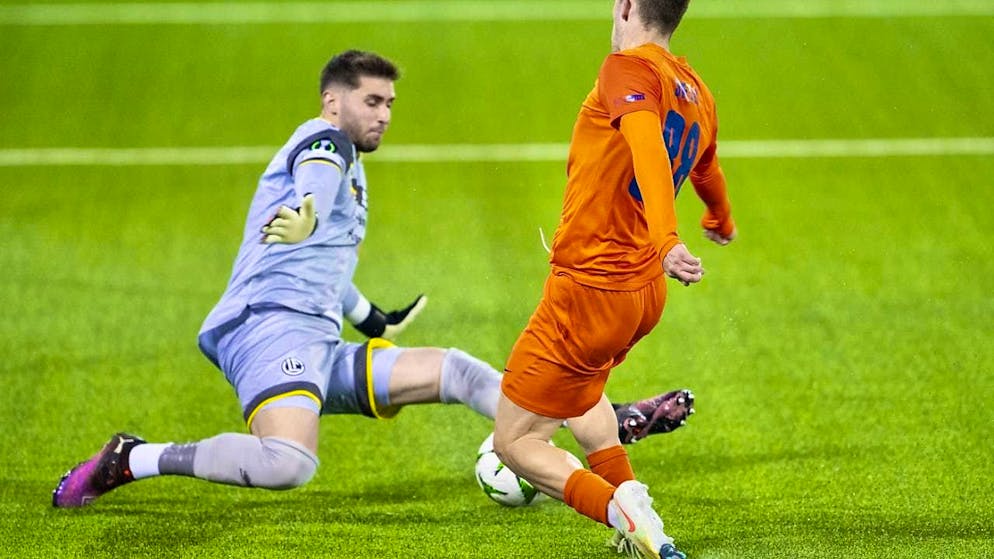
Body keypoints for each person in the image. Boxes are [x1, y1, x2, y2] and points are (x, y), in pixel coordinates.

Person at [52, 49, 695, 510]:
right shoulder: (325, 141)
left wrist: (370, 317)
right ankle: (131, 457)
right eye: (372, 100)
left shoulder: (354, 168)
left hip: (316, 339)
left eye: (389, 102)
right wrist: (304, 214)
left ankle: (598, 415)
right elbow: (314, 184)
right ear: (334, 101)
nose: (384, 113)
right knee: (289, 464)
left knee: (456, 370)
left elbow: (324, 263)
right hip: (269, 330)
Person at [492, 1, 736, 558]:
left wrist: (668, 238)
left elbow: (647, 146)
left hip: (592, 287)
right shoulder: (696, 89)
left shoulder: (625, 68)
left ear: (625, 4)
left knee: (516, 440)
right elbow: (707, 167)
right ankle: (639, 513)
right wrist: (719, 217)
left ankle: (619, 513)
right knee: (583, 393)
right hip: (641, 294)